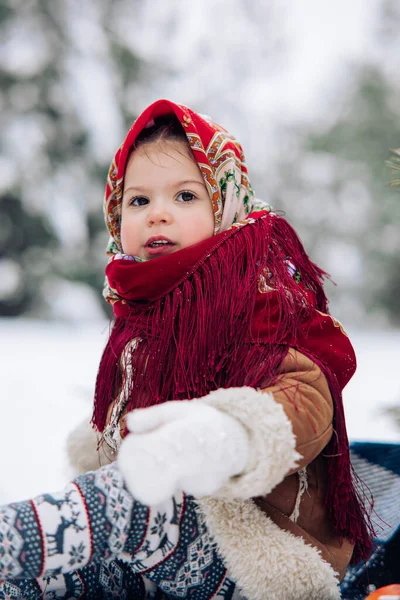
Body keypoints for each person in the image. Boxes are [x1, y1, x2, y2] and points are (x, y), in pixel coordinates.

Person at [0, 100, 373, 599]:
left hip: (257, 556)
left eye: (184, 195)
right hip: (164, 555)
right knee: (43, 579)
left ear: (226, 204)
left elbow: (304, 405)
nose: (158, 213)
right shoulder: (140, 319)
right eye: (138, 201)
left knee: (139, 497)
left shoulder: (264, 300)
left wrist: (225, 433)